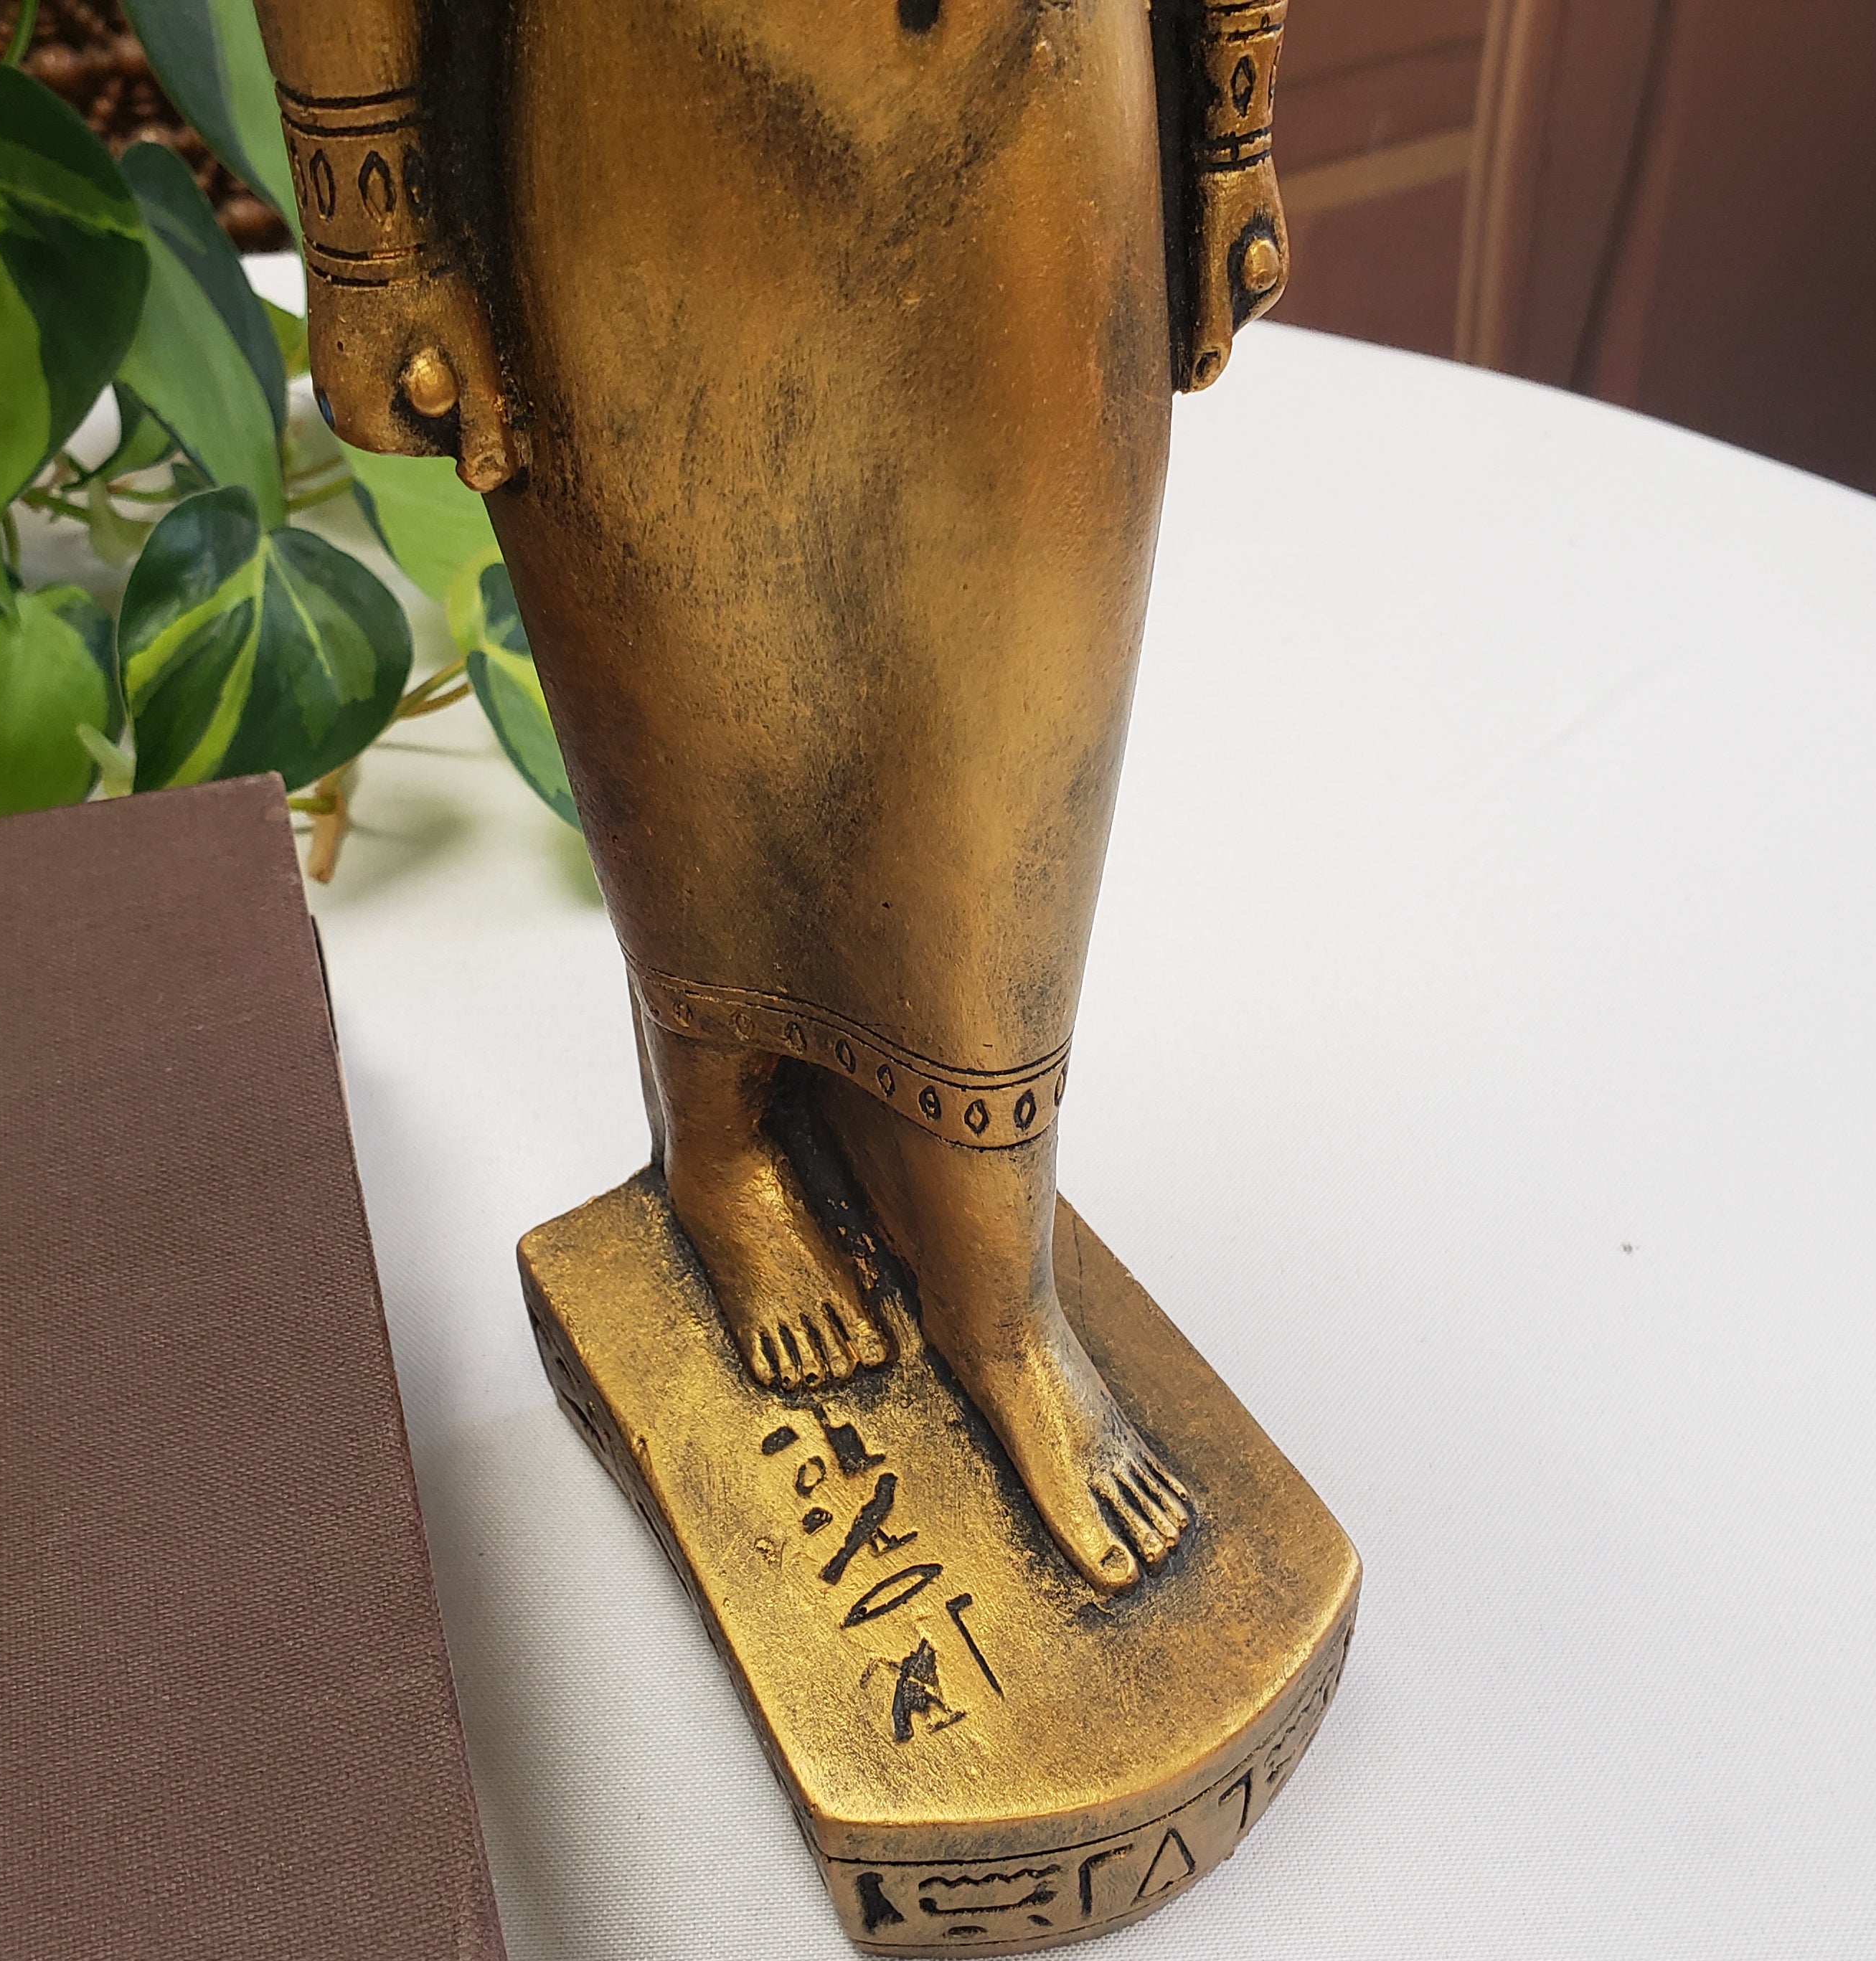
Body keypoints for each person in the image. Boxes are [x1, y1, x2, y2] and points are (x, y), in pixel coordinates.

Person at [255, 0, 1290, 1592]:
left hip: (1040, 68)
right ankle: (723, 1144)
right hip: (635, 74)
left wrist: (1232, 116)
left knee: (1028, 659)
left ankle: (993, 1284)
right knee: (680, 632)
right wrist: (373, 230)